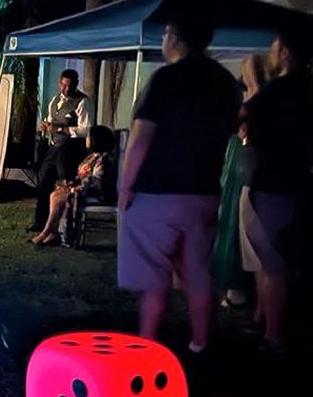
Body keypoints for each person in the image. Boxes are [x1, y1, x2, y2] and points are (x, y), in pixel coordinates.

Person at [117, 18, 241, 354]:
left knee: (154, 277)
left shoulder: (165, 79)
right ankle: (200, 342)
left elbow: (141, 138)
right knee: (197, 271)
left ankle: (148, 344)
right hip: (204, 191)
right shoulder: (225, 82)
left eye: (166, 34)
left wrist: (126, 187)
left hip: (158, 192)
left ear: (174, 38)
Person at [239, 30, 313, 350]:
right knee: (276, 259)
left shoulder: (275, 91)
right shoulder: (307, 87)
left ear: (285, 51)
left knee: (271, 263)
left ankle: (273, 334)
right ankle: (263, 319)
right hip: (297, 180)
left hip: (269, 181)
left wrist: (252, 88)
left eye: (274, 46)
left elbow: (242, 120)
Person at [213, 54, 267, 307]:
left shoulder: (254, 106)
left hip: (242, 170)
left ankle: (239, 287)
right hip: (245, 170)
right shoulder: (265, 103)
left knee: (237, 228)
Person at [30, 69, 94, 232]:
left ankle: (63, 226)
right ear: (60, 83)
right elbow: (50, 119)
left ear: (76, 84)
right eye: (64, 85)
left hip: (70, 150)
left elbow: (86, 129)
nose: (67, 89)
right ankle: (40, 221)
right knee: (43, 182)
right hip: (53, 148)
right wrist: (45, 125)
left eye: (70, 86)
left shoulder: (83, 102)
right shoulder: (55, 100)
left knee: (65, 186)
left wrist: (61, 129)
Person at [31, 125, 116, 247]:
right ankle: (53, 232)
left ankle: (47, 232)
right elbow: (81, 176)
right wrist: (70, 183)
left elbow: (97, 182)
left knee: (58, 197)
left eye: (89, 136)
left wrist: (75, 188)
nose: (86, 139)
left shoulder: (103, 159)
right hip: (86, 188)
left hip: (95, 193)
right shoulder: (92, 156)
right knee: (56, 192)